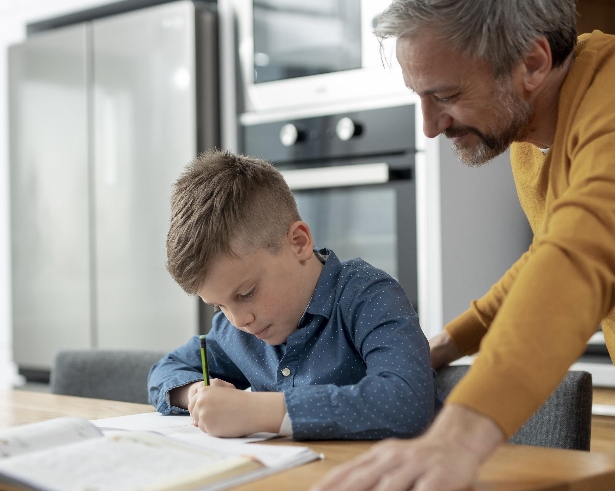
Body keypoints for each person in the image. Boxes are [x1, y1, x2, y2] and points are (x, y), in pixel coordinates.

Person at [304, 0, 615, 491]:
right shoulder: (530, 138)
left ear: (533, 63)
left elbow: (580, 255)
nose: (431, 126)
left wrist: (462, 433)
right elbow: (547, 255)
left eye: (447, 96)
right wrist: (452, 338)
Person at [147, 149, 439, 441]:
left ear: (299, 243)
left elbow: (405, 401)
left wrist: (256, 411)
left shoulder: (368, 296)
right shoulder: (239, 330)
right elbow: (165, 371)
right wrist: (196, 394)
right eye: (219, 306)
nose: (239, 320)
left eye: (247, 293)